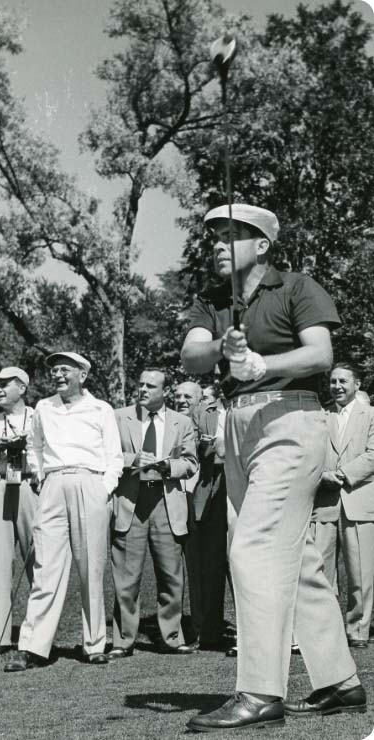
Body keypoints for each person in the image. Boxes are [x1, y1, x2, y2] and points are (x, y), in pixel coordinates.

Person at [182, 204, 365, 732]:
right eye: (214, 235)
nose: (217, 243)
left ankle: (261, 692)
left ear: (262, 244)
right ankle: (339, 680)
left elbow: (320, 355)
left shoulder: (296, 286)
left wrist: (261, 365)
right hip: (238, 427)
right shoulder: (212, 300)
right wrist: (224, 346)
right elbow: (192, 355)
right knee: (296, 556)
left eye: (231, 235)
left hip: (291, 419)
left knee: (255, 547)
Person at [4, 351, 123, 670]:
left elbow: (115, 456)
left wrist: (103, 488)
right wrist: (42, 478)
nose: (58, 375)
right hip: (54, 484)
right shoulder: (43, 407)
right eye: (54, 370)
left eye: (64, 370)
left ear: (82, 375)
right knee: (46, 566)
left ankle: (94, 644)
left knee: (91, 569)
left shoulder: (101, 409)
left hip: (90, 483)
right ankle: (33, 647)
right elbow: (35, 447)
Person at [107, 369, 198, 659]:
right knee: (126, 576)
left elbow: (191, 462)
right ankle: (123, 641)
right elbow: (104, 455)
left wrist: (168, 467)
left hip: (165, 499)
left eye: (150, 386)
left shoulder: (181, 422)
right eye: (140, 384)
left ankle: (171, 637)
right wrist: (132, 459)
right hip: (131, 500)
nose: (143, 390)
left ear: (164, 391)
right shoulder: (119, 417)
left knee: (171, 575)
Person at [0, 367, 38, 661]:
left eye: (5, 384)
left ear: (22, 388)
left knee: (39, 563)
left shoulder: (39, 418)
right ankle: (0, 638)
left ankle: (37, 635)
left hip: (29, 487)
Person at [312, 363, 374, 649]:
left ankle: (358, 629)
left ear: (357, 385)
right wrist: (320, 474)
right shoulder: (321, 417)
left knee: (360, 572)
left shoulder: (371, 415)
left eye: (343, 381)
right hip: (323, 500)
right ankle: (323, 631)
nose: (337, 386)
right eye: (333, 381)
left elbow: (373, 456)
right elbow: (310, 454)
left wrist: (340, 475)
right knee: (321, 571)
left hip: (357, 500)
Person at [175, 382, 228, 650]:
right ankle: (208, 632)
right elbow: (189, 448)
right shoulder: (202, 411)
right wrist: (211, 447)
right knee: (209, 563)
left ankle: (252, 632)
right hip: (209, 489)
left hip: (247, 486)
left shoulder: (255, 406)